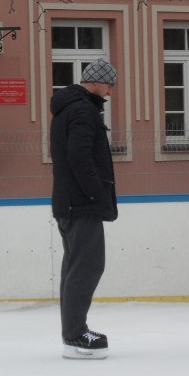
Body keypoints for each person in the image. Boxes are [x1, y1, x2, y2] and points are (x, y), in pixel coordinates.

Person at [50, 58, 118, 359]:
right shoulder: (82, 110)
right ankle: (76, 335)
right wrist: (98, 198)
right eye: (109, 85)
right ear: (96, 82)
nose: (110, 93)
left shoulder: (70, 108)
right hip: (80, 204)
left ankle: (73, 333)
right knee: (87, 266)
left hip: (70, 202)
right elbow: (80, 159)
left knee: (76, 266)